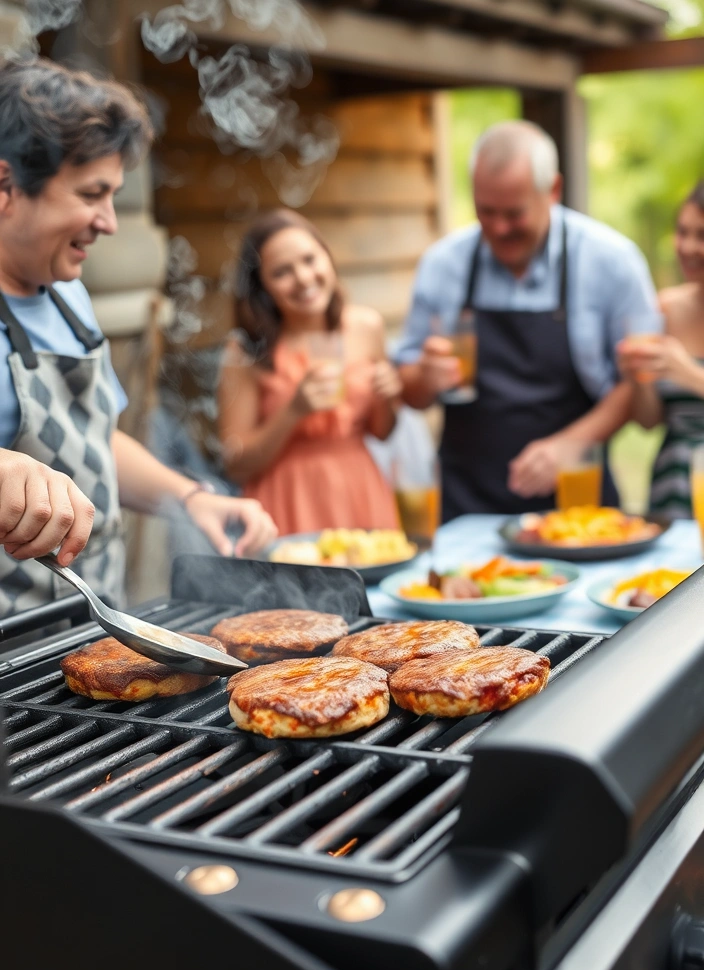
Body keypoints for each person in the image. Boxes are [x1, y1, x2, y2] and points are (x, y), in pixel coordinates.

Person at [0, 55, 276, 617]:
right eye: (90, 194)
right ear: (5, 185)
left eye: (113, 195)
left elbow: (95, 441)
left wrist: (190, 497)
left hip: (90, 625)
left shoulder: (68, 295)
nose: (109, 221)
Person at [395, 120, 659, 520]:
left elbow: (638, 378)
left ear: (552, 190)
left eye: (515, 214)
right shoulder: (442, 265)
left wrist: (572, 443)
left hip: (578, 506)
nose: (499, 229)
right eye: (487, 212)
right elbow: (410, 389)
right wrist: (423, 377)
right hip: (467, 508)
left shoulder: (611, 262)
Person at [218, 209, 402, 535]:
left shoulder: (366, 326)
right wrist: (293, 411)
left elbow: (381, 431)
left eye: (309, 260)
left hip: (361, 492)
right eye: (281, 272)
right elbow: (234, 463)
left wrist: (388, 398)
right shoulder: (245, 351)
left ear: (327, 258)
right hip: (286, 501)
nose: (303, 278)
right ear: (262, 287)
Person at [617, 183, 704, 518]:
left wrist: (690, 374)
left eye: (702, 235)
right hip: (673, 489)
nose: (688, 247)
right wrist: (638, 378)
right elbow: (648, 420)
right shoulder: (664, 307)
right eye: (682, 232)